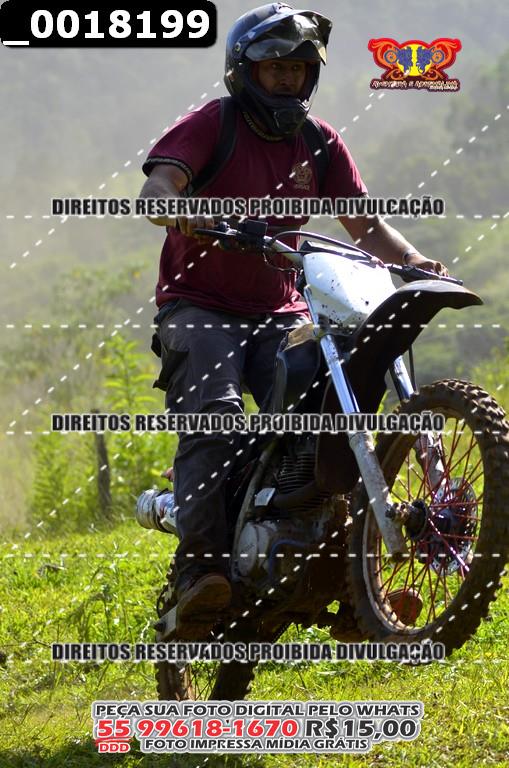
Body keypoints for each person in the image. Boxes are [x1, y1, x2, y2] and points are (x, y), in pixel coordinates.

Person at [139, 3, 448, 637]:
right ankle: (200, 569)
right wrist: (184, 210)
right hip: (199, 307)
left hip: (283, 311)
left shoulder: (320, 141)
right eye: (274, 67)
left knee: (334, 421)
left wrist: (417, 263)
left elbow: (364, 224)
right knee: (215, 419)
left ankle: (350, 578)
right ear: (244, 70)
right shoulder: (212, 123)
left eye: (298, 69)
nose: (286, 79)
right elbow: (157, 189)